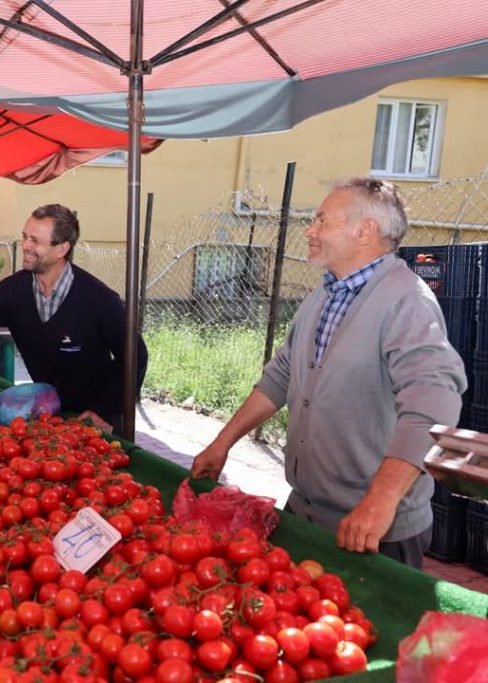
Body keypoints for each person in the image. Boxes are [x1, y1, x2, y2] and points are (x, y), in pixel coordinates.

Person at [190, 178, 467, 569]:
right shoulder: (324, 294)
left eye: (322, 220)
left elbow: (434, 406)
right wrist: (222, 444)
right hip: (306, 511)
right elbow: (280, 377)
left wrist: (381, 501)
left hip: (373, 529)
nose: (311, 229)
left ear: (365, 231)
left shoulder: (407, 302)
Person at [0, 203, 148, 432]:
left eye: (35, 240)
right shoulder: (12, 293)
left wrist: (104, 410)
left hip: (97, 420)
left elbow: (135, 355)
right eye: (25, 236)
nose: (25, 245)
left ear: (61, 249)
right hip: (48, 416)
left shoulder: (99, 299)